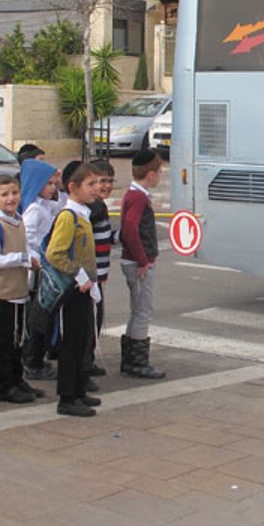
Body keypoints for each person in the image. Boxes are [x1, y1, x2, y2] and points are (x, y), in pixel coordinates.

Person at [0, 174, 46, 405]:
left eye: (14, 193)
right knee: (4, 341)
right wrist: (21, 258)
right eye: (4, 195)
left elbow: (26, 247)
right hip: (5, 293)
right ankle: (3, 385)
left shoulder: (18, 220)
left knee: (18, 339)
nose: (11, 198)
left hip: (19, 290)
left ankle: (17, 380)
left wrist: (31, 260)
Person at [46, 161, 104, 417]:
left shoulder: (83, 213)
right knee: (71, 343)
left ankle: (79, 390)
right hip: (72, 290)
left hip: (85, 288)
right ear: (73, 187)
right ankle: (67, 397)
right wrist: (80, 276)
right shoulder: (69, 217)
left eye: (97, 184)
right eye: (90, 184)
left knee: (82, 340)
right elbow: (55, 254)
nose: (96, 189)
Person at [119, 149, 167, 379]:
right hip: (138, 262)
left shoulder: (133, 193)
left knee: (137, 310)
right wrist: (142, 260)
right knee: (142, 311)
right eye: (159, 172)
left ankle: (130, 357)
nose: (161, 175)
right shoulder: (138, 197)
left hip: (133, 259)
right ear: (150, 174)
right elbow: (130, 230)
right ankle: (137, 362)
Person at [19, 158, 60, 382]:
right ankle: (32, 360)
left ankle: (36, 356)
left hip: (43, 267)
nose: (53, 188)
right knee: (38, 318)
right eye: (49, 184)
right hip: (38, 270)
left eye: (55, 183)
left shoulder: (43, 205)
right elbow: (28, 240)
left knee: (43, 317)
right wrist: (38, 259)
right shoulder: (34, 209)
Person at [88, 159, 115, 378]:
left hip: (98, 274)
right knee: (90, 321)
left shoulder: (99, 206)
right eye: (101, 181)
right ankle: (84, 364)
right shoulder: (94, 207)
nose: (107, 186)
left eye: (110, 181)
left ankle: (87, 361)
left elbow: (103, 237)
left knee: (95, 318)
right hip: (90, 275)